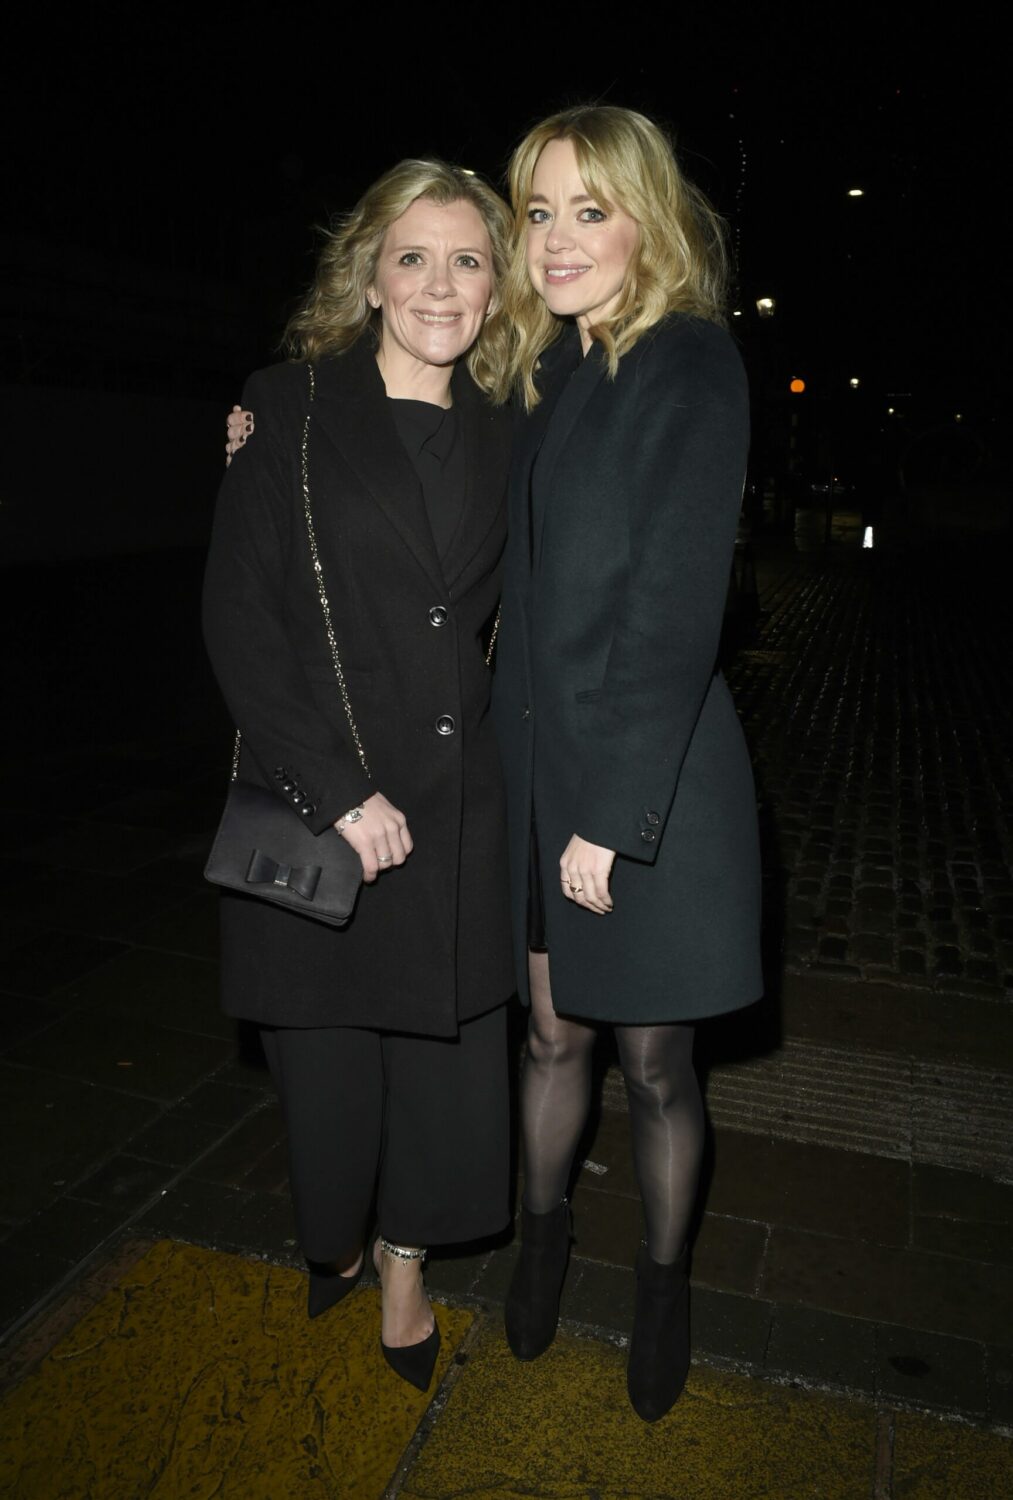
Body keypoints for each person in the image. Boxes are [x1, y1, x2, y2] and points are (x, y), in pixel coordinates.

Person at [204, 159, 516, 1393]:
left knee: (442, 1088)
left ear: (497, 286)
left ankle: (404, 1262)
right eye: (412, 257)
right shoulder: (284, 409)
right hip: (326, 803)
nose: (439, 284)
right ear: (371, 276)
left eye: (468, 259)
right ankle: (340, 1233)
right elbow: (240, 620)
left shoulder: (516, 426)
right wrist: (335, 788)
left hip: (458, 817)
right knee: (328, 1084)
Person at [490, 105, 762, 1422]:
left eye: (587, 209)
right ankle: (542, 1239)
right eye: (537, 212)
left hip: (641, 790)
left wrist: (607, 820)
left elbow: (672, 606)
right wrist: (275, 434)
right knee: (550, 1039)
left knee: (654, 1065)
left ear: (646, 221)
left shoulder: (688, 364)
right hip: (547, 778)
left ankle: (664, 1283)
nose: (554, 239)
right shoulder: (554, 375)